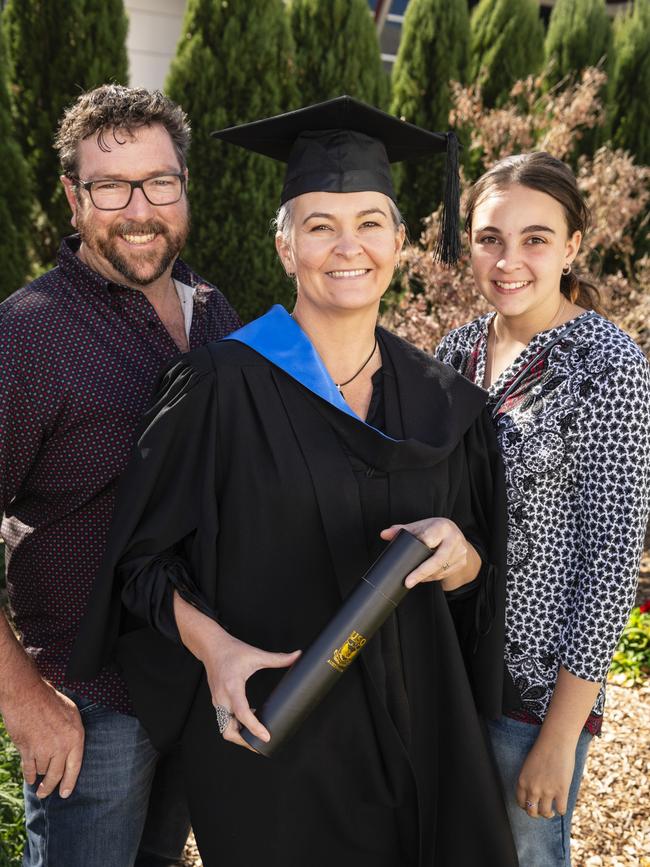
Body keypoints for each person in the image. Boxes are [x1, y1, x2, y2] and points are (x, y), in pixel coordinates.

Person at [69, 96, 519, 867]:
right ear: (286, 249)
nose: (349, 247)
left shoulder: (446, 403)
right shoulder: (218, 387)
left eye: (371, 222)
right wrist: (215, 651)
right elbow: (139, 567)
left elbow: (478, 583)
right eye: (320, 225)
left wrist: (461, 556)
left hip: (421, 739)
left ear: (401, 241)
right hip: (278, 739)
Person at [0, 84, 241, 867]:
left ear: (183, 189)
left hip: (194, 687)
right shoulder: (28, 336)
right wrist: (25, 703)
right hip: (89, 708)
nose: (139, 208)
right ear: (74, 199)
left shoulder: (214, 313)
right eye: (111, 186)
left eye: (159, 182)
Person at [435, 152, 650, 867]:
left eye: (535, 238)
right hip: (447, 663)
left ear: (573, 245)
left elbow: (612, 562)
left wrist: (560, 735)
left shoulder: (609, 364)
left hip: (532, 694)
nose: (509, 259)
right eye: (490, 237)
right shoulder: (456, 350)